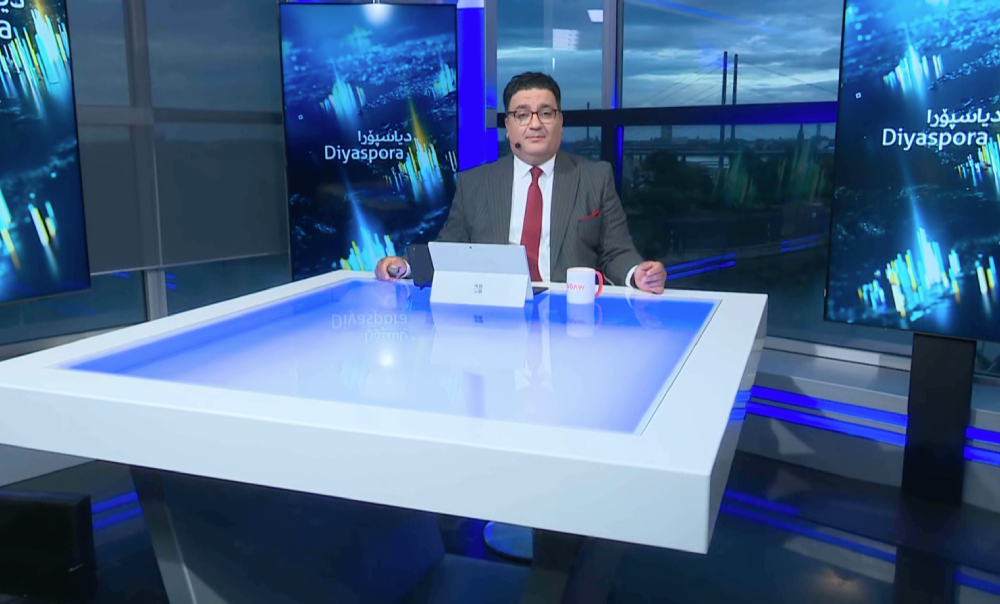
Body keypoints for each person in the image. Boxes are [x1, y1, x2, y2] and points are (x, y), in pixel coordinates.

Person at [375, 72, 666, 293]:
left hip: (569, 315)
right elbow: (449, 250)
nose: (535, 124)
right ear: (508, 126)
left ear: (560, 122)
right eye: (523, 115)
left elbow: (616, 251)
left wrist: (637, 274)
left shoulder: (594, 177)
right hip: (496, 313)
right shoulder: (474, 183)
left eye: (546, 113)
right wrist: (406, 266)